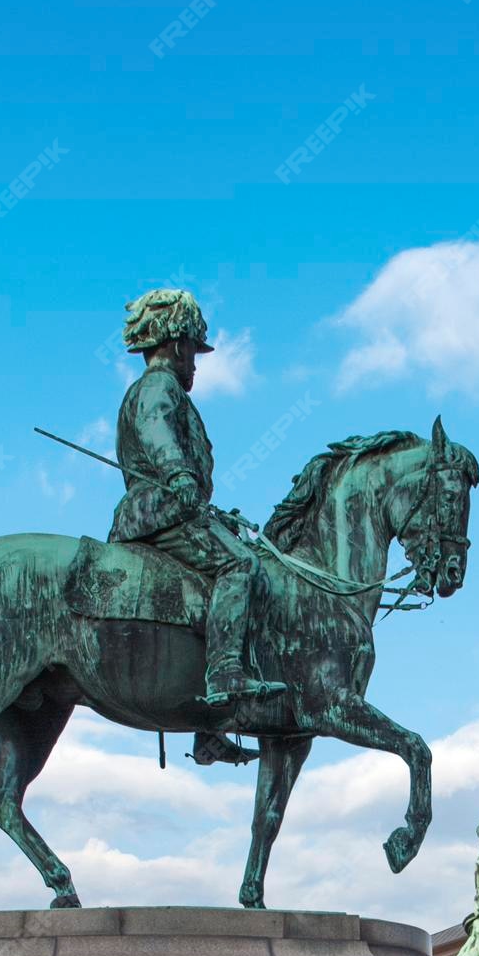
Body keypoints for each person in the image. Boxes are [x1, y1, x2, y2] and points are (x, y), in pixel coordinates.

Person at [110, 287, 284, 706]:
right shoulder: (159, 387)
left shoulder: (162, 387)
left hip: (173, 508)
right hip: (159, 511)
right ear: (175, 345)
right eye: (191, 351)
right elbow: (159, 432)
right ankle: (224, 673)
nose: (194, 364)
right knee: (241, 564)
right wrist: (180, 475)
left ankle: (207, 725)